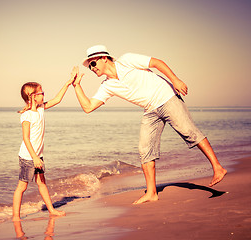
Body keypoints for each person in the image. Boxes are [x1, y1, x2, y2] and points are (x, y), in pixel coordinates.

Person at [71, 45, 227, 204]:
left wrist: (175, 80)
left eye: (93, 64)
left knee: (189, 131)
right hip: (150, 110)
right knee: (144, 149)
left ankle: (217, 167)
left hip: (167, 97)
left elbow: (156, 63)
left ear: (104, 58)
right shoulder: (107, 86)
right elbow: (88, 107)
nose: (91, 68)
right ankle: (151, 192)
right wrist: (76, 85)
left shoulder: (126, 60)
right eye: (89, 66)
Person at [12, 73, 75, 221]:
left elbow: (57, 99)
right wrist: (34, 158)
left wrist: (68, 83)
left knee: (41, 182)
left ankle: (51, 210)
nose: (44, 95)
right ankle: (15, 216)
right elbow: (25, 139)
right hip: (28, 156)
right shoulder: (27, 116)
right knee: (22, 187)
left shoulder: (41, 109)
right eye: (41, 93)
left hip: (37, 156)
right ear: (32, 96)